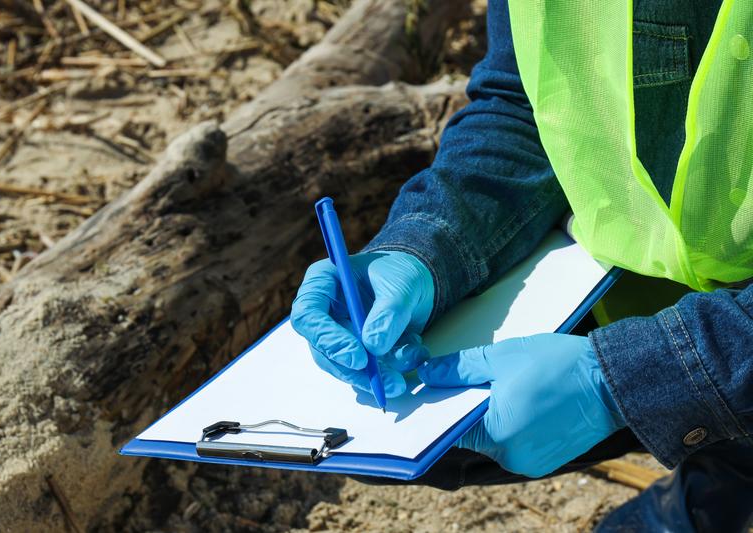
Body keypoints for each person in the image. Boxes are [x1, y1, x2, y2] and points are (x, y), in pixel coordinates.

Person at [290, 0, 753, 530]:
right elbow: (522, 103)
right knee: (418, 442)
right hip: (649, 283)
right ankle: (724, 469)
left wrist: (637, 376)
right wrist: (422, 250)